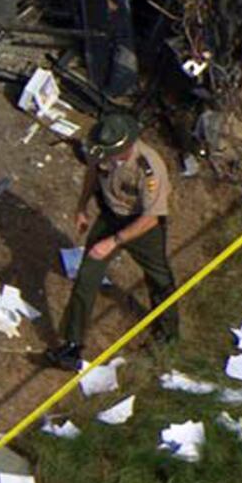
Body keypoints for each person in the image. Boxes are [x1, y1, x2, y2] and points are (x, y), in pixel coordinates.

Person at [55, 117, 177, 360]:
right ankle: (72, 344)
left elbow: (152, 218)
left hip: (141, 224)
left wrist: (114, 241)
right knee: (86, 279)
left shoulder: (148, 167)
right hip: (110, 216)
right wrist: (82, 206)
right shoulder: (100, 151)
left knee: (159, 278)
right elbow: (93, 172)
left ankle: (167, 333)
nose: (106, 159)